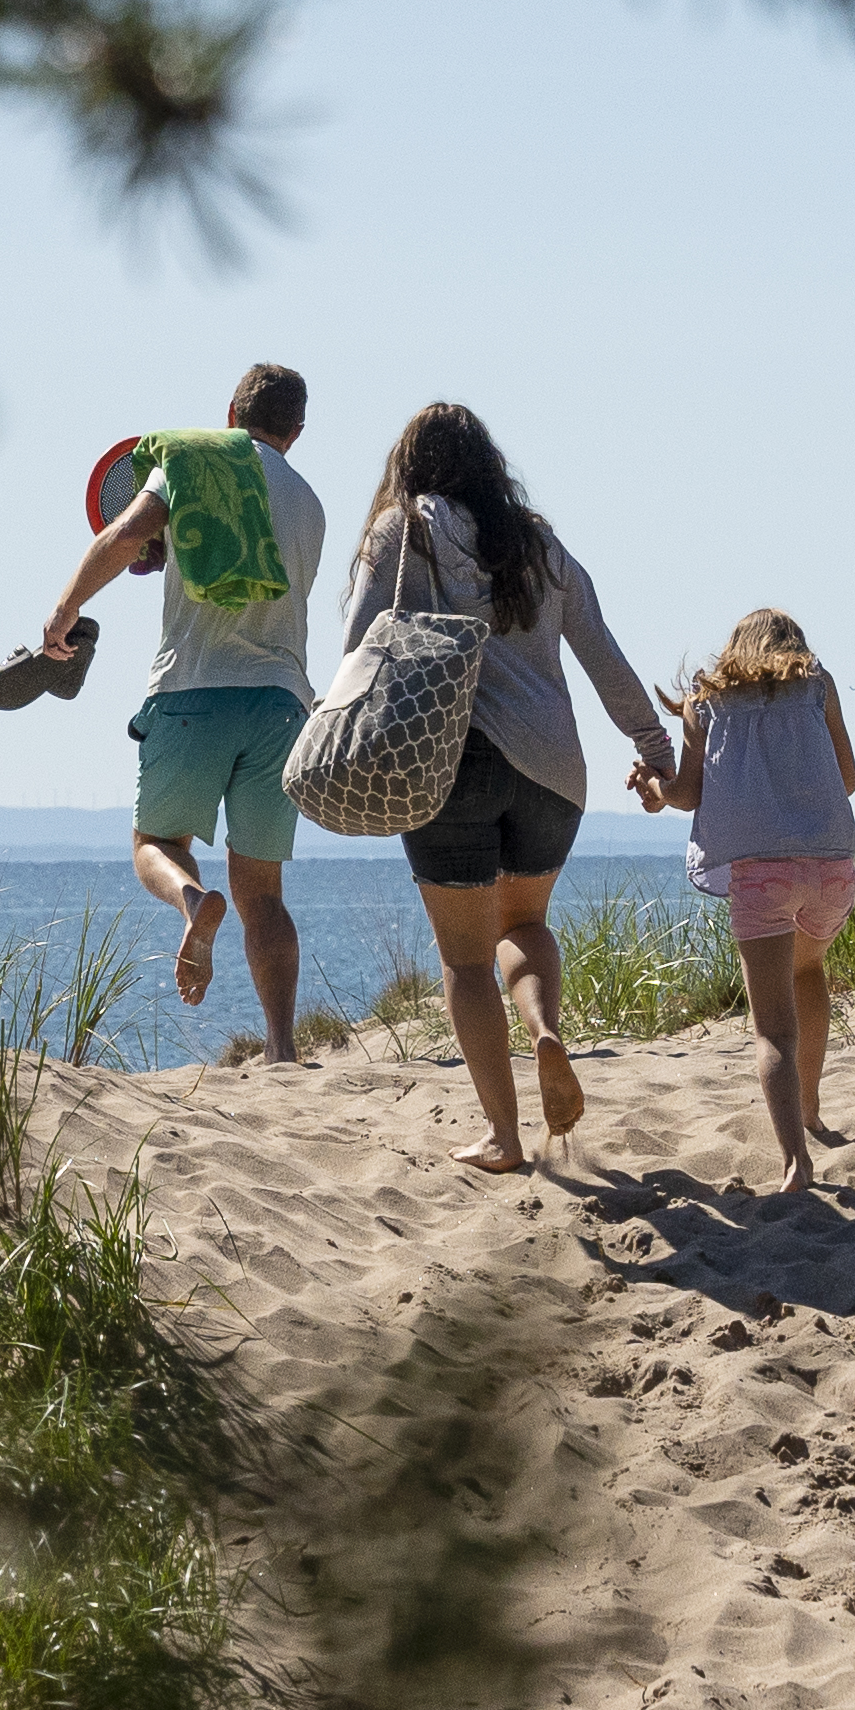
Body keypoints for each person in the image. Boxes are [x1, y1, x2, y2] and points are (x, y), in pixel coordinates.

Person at [341, 401, 676, 1175]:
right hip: (553, 775)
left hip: (446, 767)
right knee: (522, 929)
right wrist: (653, 748)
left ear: (411, 465)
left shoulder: (399, 533)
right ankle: (545, 1032)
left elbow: (357, 645)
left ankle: (502, 1134)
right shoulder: (539, 545)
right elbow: (603, 656)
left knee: (464, 963)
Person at [25, 362, 333, 1058]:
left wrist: (66, 608)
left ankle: (194, 903)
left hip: (193, 691)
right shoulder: (310, 503)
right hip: (283, 706)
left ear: (230, 412)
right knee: (265, 895)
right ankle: (284, 1049)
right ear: (297, 431)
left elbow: (127, 534)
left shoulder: (192, 464)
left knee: (155, 848)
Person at [656, 605, 855, 1192]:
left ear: (735, 649)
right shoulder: (817, 686)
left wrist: (654, 787)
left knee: (773, 1029)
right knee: (810, 969)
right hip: (829, 864)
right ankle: (812, 1107)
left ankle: (796, 1161)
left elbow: (687, 792)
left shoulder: (707, 703)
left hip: (761, 874)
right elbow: (846, 779)